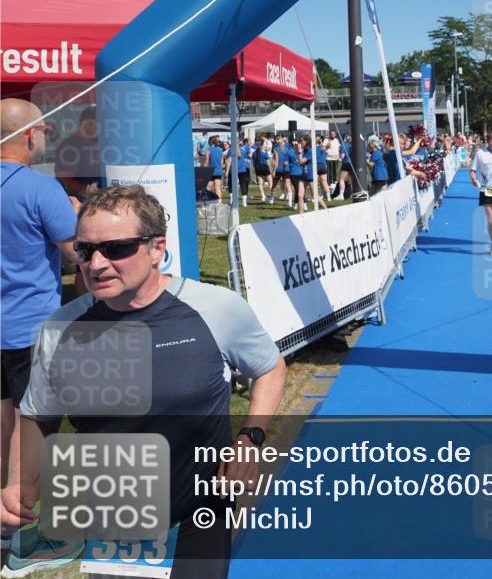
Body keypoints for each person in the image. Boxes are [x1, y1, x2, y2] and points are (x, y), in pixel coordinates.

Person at [2, 185, 286, 578]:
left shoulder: (216, 309)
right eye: (85, 251)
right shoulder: (62, 328)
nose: (96, 264)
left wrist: (251, 438)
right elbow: (38, 416)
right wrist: (21, 484)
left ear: (156, 248)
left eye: (116, 248)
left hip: (199, 515)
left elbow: (270, 368)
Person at [0, 100, 80, 525]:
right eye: (45, 131)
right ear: (29, 135)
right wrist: (80, 217)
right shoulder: (40, 187)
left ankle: (7, 518)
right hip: (30, 330)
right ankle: (20, 531)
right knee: (30, 429)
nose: (47, 137)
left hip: (13, 329)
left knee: (4, 427)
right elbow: (77, 255)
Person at [54, 105, 102, 199]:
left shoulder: (103, 143)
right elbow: (63, 180)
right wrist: (89, 191)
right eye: (90, 123)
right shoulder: (70, 147)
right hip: (83, 203)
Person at [252, 135, 273, 203]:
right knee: (270, 181)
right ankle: (272, 195)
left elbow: (253, 161)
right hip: (264, 166)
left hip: (257, 168)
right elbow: (267, 159)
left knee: (260, 183)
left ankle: (263, 195)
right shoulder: (263, 152)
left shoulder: (254, 153)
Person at [202, 136, 224, 201]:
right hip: (218, 171)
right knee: (218, 188)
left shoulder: (208, 150)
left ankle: (208, 201)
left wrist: (203, 170)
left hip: (210, 171)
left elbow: (206, 162)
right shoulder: (220, 150)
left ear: (210, 141)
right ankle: (219, 202)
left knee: (208, 187)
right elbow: (222, 161)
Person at [235, 137, 252, 207]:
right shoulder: (244, 149)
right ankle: (244, 202)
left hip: (235, 170)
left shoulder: (232, 150)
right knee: (243, 185)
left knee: (235, 185)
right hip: (243, 169)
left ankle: (235, 200)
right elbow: (249, 156)